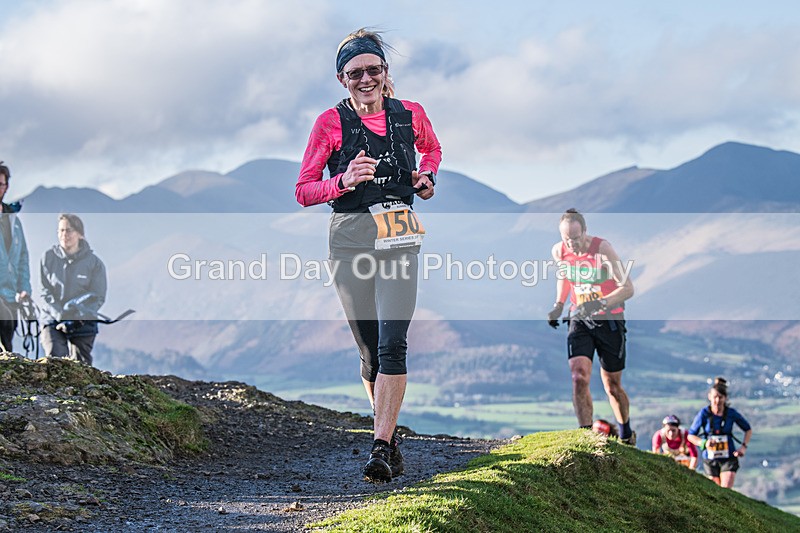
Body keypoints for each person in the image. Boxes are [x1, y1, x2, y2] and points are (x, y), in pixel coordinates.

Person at [295, 29, 441, 482]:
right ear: (342, 79)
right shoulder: (329, 124)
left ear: (384, 72)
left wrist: (426, 177)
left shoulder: (410, 114)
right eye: (355, 72)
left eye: (373, 70)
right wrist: (343, 181)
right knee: (370, 354)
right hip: (350, 237)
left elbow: (432, 150)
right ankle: (390, 433)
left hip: (398, 234)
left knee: (393, 342)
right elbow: (303, 190)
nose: (366, 78)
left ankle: (380, 445)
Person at [547, 208, 636, 444]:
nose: (572, 244)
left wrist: (600, 303)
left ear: (585, 232)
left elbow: (627, 288)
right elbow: (565, 276)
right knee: (578, 376)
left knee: (612, 385)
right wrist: (558, 305)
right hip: (579, 316)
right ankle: (585, 436)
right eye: (567, 239)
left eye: (576, 239)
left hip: (610, 319)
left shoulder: (602, 249)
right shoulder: (559, 251)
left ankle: (626, 434)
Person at [40, 214, 107, 366]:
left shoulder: (95, 264)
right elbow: (45, 292)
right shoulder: (48, 258)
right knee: (55, 362)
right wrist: (60, 315)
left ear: (80, 234)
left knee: (82, 368)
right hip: (53, 319)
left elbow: (97, 297)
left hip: (83, 323)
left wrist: (76, 319)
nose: (64, 235)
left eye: (69, 230)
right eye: (61, 230)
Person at [687, 377, 752, 488]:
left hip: (729, 457)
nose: (717, 401)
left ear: (725, 398)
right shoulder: (704, 414)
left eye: (720, 397)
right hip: (710, 458)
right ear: (709, 397)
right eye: (715, 397)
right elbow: (691, 436)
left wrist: (743, 447)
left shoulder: (731, 413)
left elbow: (748, 429)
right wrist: (704, 443)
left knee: (725, 488)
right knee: (715, 490)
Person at [0, 161, 32, 353]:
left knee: (7, 347)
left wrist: (24, 288)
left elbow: (22, 259)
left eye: (0, 184)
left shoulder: (14, 221)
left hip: (11, 295)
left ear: (6, 187)